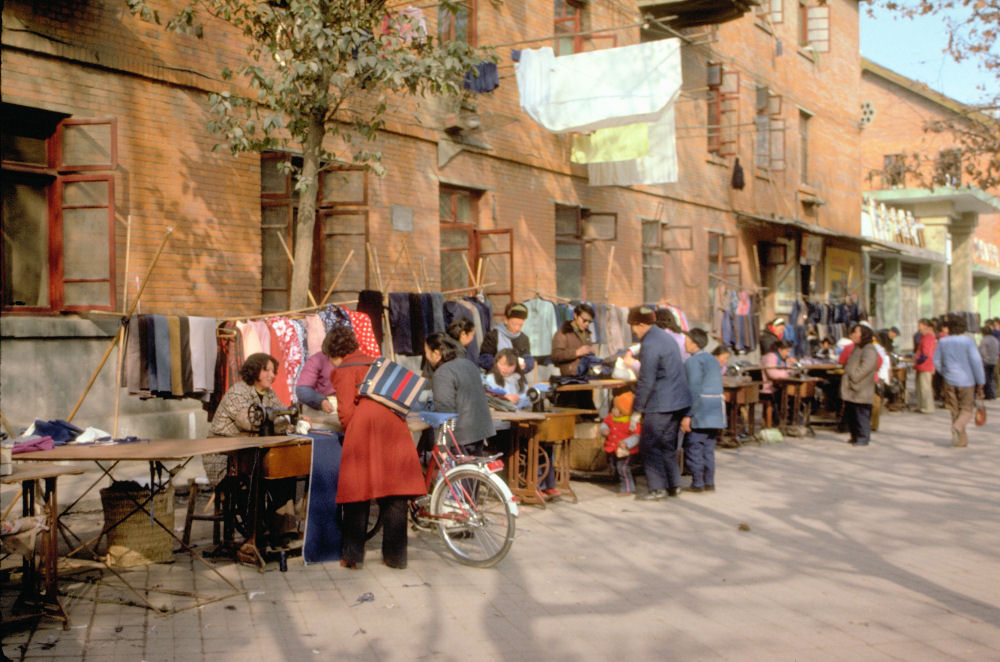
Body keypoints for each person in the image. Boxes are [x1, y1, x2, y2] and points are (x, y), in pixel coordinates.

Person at [328, 325, 424, 569]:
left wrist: (355, 429)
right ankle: (395, 558)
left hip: (365, 429)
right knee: (396, 493)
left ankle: (351, 557)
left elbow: (346, 413)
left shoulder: (344, 369)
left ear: (334, 353)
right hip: (395, 427)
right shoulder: (376, 362)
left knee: (357, 492)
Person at [209, 352, 295, 544]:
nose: (272, 375)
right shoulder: (238, 391)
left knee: (284, 475)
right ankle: (258, 533)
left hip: (253, 455)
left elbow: (285, 418)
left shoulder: (270, 395)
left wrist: (288, 420)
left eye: (274, 371)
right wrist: (280, 421)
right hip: (225, 457)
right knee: (253, 481)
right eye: (267, 370)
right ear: (255, 370)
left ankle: (283, 530)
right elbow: (247, 422)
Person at [628, 305, 691, 501]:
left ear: (640, 324)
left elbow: (647, 379)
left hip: (661, 402)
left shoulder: (650, 343)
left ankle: (657, 488)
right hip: (678, 401)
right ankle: (674, 484)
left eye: (633, 326)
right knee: (666, 444)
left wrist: (637, 409)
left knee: (649, 444)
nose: (632, 330)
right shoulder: (665, 337)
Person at [425, 332, 496, 455]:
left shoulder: (442, 373)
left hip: (462, 435)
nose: (426, 356)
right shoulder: (468, 364)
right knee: (472, 471)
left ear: (436, 353)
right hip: (480, 430)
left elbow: (444, 411)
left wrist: (442, 446)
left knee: (458, 472)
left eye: (426, 352)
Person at [680, 328, 725, 492]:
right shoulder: (712, 360)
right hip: (715, 411)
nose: (684, 343)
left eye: (686, 340)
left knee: (694, 447)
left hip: (701, 410)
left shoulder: (692, 362)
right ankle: (709, 482)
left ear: (694, 343)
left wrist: (687, 415)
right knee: (708, 449)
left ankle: (698, 483)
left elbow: (693, 389)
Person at [934, 315, 986, 447]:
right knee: (967, 410)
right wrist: (980, 380)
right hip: (967, 380)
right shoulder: (968, 342)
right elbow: (976, 362)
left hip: (949, 380)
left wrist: (945, 372)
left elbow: (937, 361)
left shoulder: (943, 342)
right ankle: (958, 428)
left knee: (954, 409)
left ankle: (960, 441)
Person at [551, 303, 597, 410]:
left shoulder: (587, 334)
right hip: (570, 379)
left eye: (589, 322)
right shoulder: (562, 333)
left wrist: (592, 351)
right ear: (575, 315)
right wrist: (576, 353)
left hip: (585, 379)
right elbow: (555, 356)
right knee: (569, 414)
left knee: (588, 415)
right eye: (584, 320)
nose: (586, 324)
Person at [839, 324, 879, 446]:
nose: (853, 335)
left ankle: (863, 437)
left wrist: (854, 377)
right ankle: (855, 436)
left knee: (861, 413)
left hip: (861, 386)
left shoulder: (869, 349)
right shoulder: (857, 347)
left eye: (856, 332)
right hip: (853, 387)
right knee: (852, 413)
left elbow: (867, 366)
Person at [600, 391, 640, 496]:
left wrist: (626, 443)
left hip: (626, 451)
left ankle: (627, 489)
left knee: (622, 467)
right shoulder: (610, 418)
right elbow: (604, 424)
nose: (613, 410)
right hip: (612, 449)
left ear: (623, 411)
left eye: (616, 409)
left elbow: (636, 436)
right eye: (613, 408)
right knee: (615, 466)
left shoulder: (632, 422)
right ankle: (629, 482)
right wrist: (604, 429)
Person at [478, 302, 535, 373]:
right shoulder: (493, 336)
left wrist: (525, 365)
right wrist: (499, 365)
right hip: (496, 378)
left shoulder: (523, 338)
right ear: (506, 320)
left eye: (520, 325)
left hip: (517, 378)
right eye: (514, 324)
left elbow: (528, 358)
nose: (517, 328)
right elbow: (483, 358)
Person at [295, 329, 340, 416]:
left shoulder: (355, 360)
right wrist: (321, 401)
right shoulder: (316, 360)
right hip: (324, 410)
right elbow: (302, 389)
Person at [759, 340, 793, 429]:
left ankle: (784, 420)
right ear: (780, 349)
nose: (788, 353)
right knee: (786, 395)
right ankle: (779, 421)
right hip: (766, 387)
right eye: (787, 351)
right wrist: (788, 373)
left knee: (790, 394)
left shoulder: (782, 358)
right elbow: (772, 373)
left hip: (775, 385)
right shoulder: (771, 356)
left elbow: (788, 369)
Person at [914, 318, 938, 413]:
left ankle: (927, 407)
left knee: (925, 387)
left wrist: (919, 360)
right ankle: (921, 406)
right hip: (923, 365)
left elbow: (926, 351)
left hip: (925, 365)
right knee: (921, 386)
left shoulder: (928, 337)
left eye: (920, 325)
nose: (919, 327)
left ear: (925, 326)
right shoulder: (926, 336)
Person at [978, 325, 998, 400]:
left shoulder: (984, 340)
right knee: (992, 378)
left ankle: (988, 395)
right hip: (994, 361)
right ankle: (993, 394)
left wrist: (984, 358)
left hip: (986, 362)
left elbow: (982, 352)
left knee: (986, 378)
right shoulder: (994, 339)